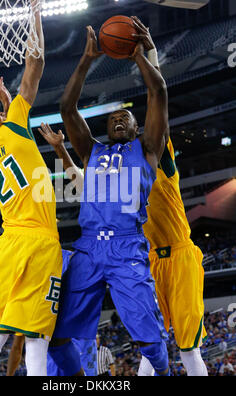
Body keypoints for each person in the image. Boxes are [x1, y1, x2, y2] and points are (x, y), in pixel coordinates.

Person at [50, 19, 170, 376]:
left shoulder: (148, 149)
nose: (119, 120)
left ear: (137, 127)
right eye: (114, 118)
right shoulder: (92, 152)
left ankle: (164, 372)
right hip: (87, 249)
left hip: (126, 247)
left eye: (126, 118)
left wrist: (140, 56)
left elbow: (158, 92)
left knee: (149, 339)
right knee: (57, 337)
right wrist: (86, 60)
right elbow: (67, 109)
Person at [0, 4, 63, 376]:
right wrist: (35, 16)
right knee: (36, 339)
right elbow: (35, 65)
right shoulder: (11, 126)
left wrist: (3, 103)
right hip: (38, 242)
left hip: (8, 243)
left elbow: (7, 141)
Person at [132, 18, 208, 377]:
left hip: (180, 257)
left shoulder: (159, 156)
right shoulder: (121, 173)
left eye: (132, 122)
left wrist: (149, 55)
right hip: (150, 262)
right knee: (151, 345)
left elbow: (158, 98)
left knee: (188, 347)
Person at [6, 249, 97, 377]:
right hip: (67, 347)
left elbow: (16, 347)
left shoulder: (28, 298)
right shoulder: (70, 260)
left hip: (58, 350)